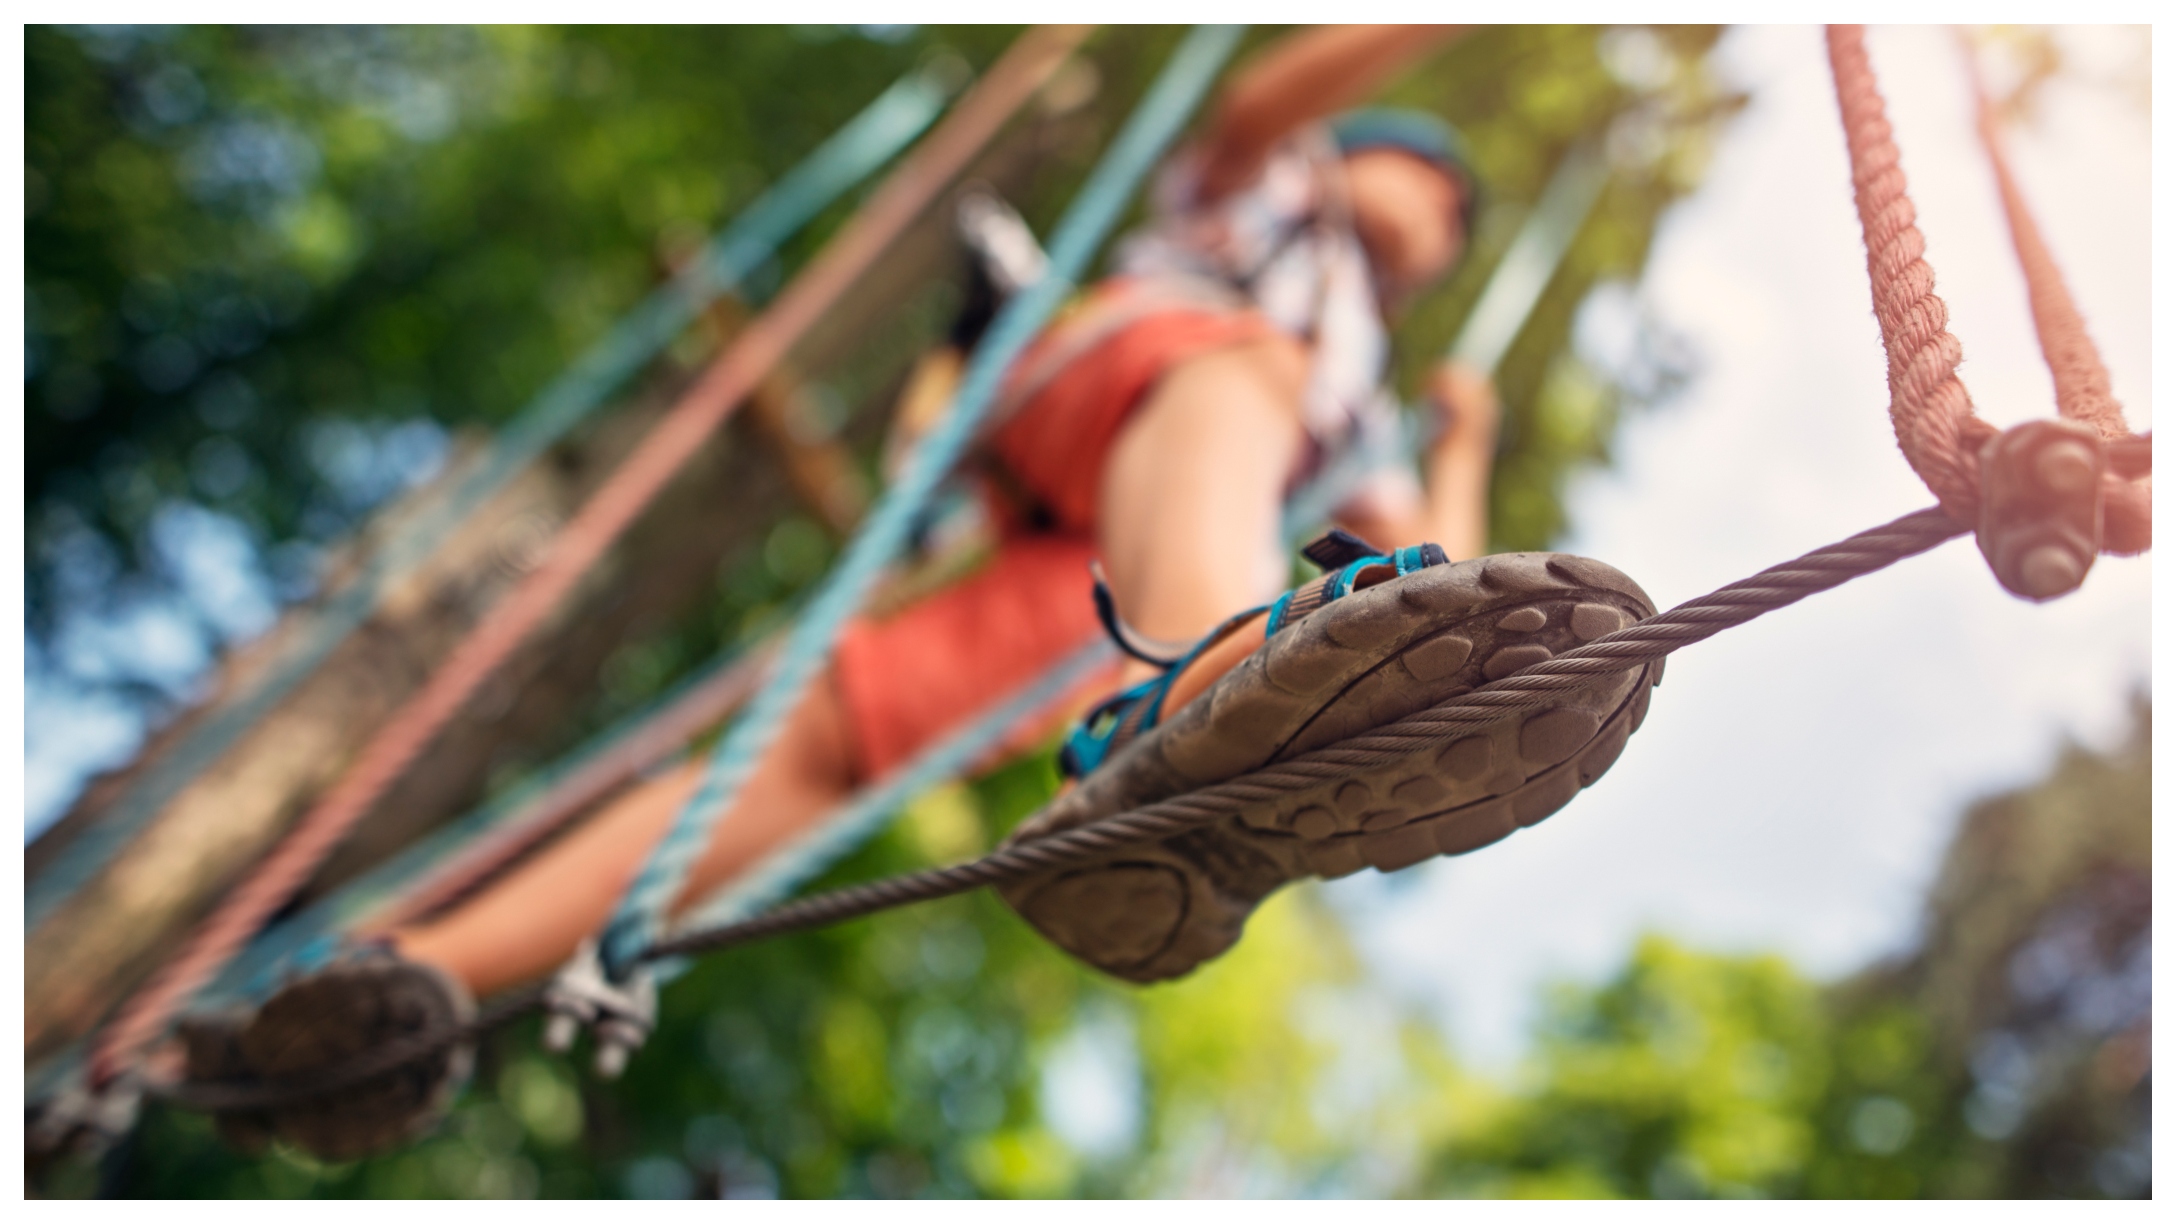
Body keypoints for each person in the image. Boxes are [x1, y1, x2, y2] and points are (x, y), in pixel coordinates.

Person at [201, 24, 1663, 1155]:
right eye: (1439, 182)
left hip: (1103, 574)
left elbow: (1454, 575)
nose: (1452, 217)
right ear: (1367, 154)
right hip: (1090, 391)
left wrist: (1461, 443)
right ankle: (1217, 692)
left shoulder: (1363, 384)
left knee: (831, 751)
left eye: (1465, 222)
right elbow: (1268, 97)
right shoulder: (1274, 190)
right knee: (1246, 380)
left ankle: (387, 992)